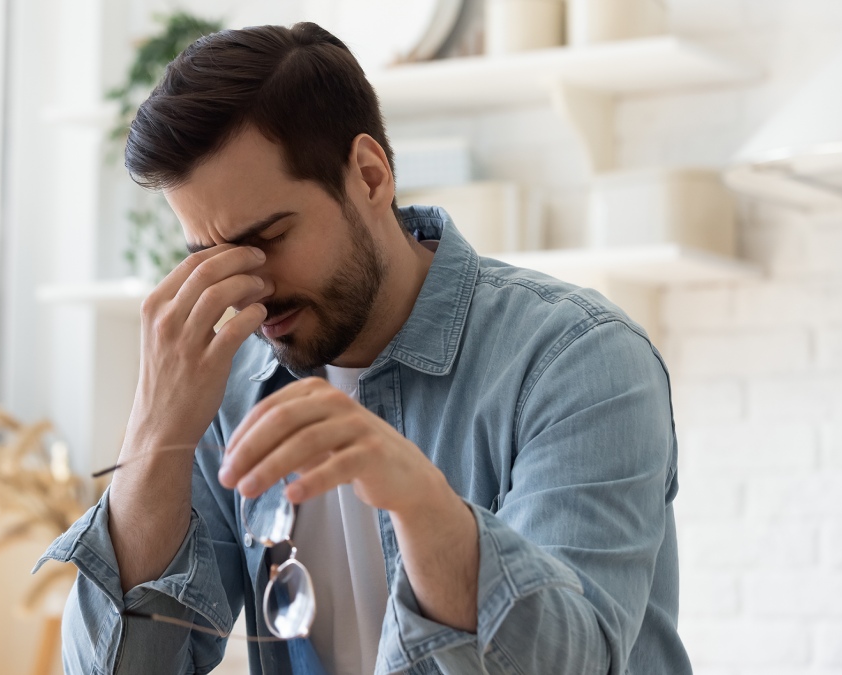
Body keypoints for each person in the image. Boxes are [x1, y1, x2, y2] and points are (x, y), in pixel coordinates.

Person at [34, 22, 690, 675]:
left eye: (269, 237)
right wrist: (154, 428)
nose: (250, 289)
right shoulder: (227, 384)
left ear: (371, 177)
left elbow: (573, 663)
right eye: (213, 259)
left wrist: (426, 509)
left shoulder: (580, 359)